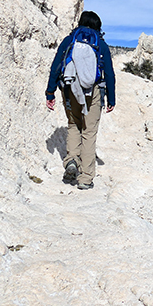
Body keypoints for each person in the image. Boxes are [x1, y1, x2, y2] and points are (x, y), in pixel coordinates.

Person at [45, 11, 116, 190]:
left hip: (69, 89)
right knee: (89, 132)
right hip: (94, 91)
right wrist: (111, 98)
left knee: (74, 125)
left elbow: (56, 66)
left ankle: (71, 161)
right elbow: (109, 73)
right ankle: (85, 178)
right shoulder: (101, 44)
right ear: (98, 26)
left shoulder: (69, 40)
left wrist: (50, 92)